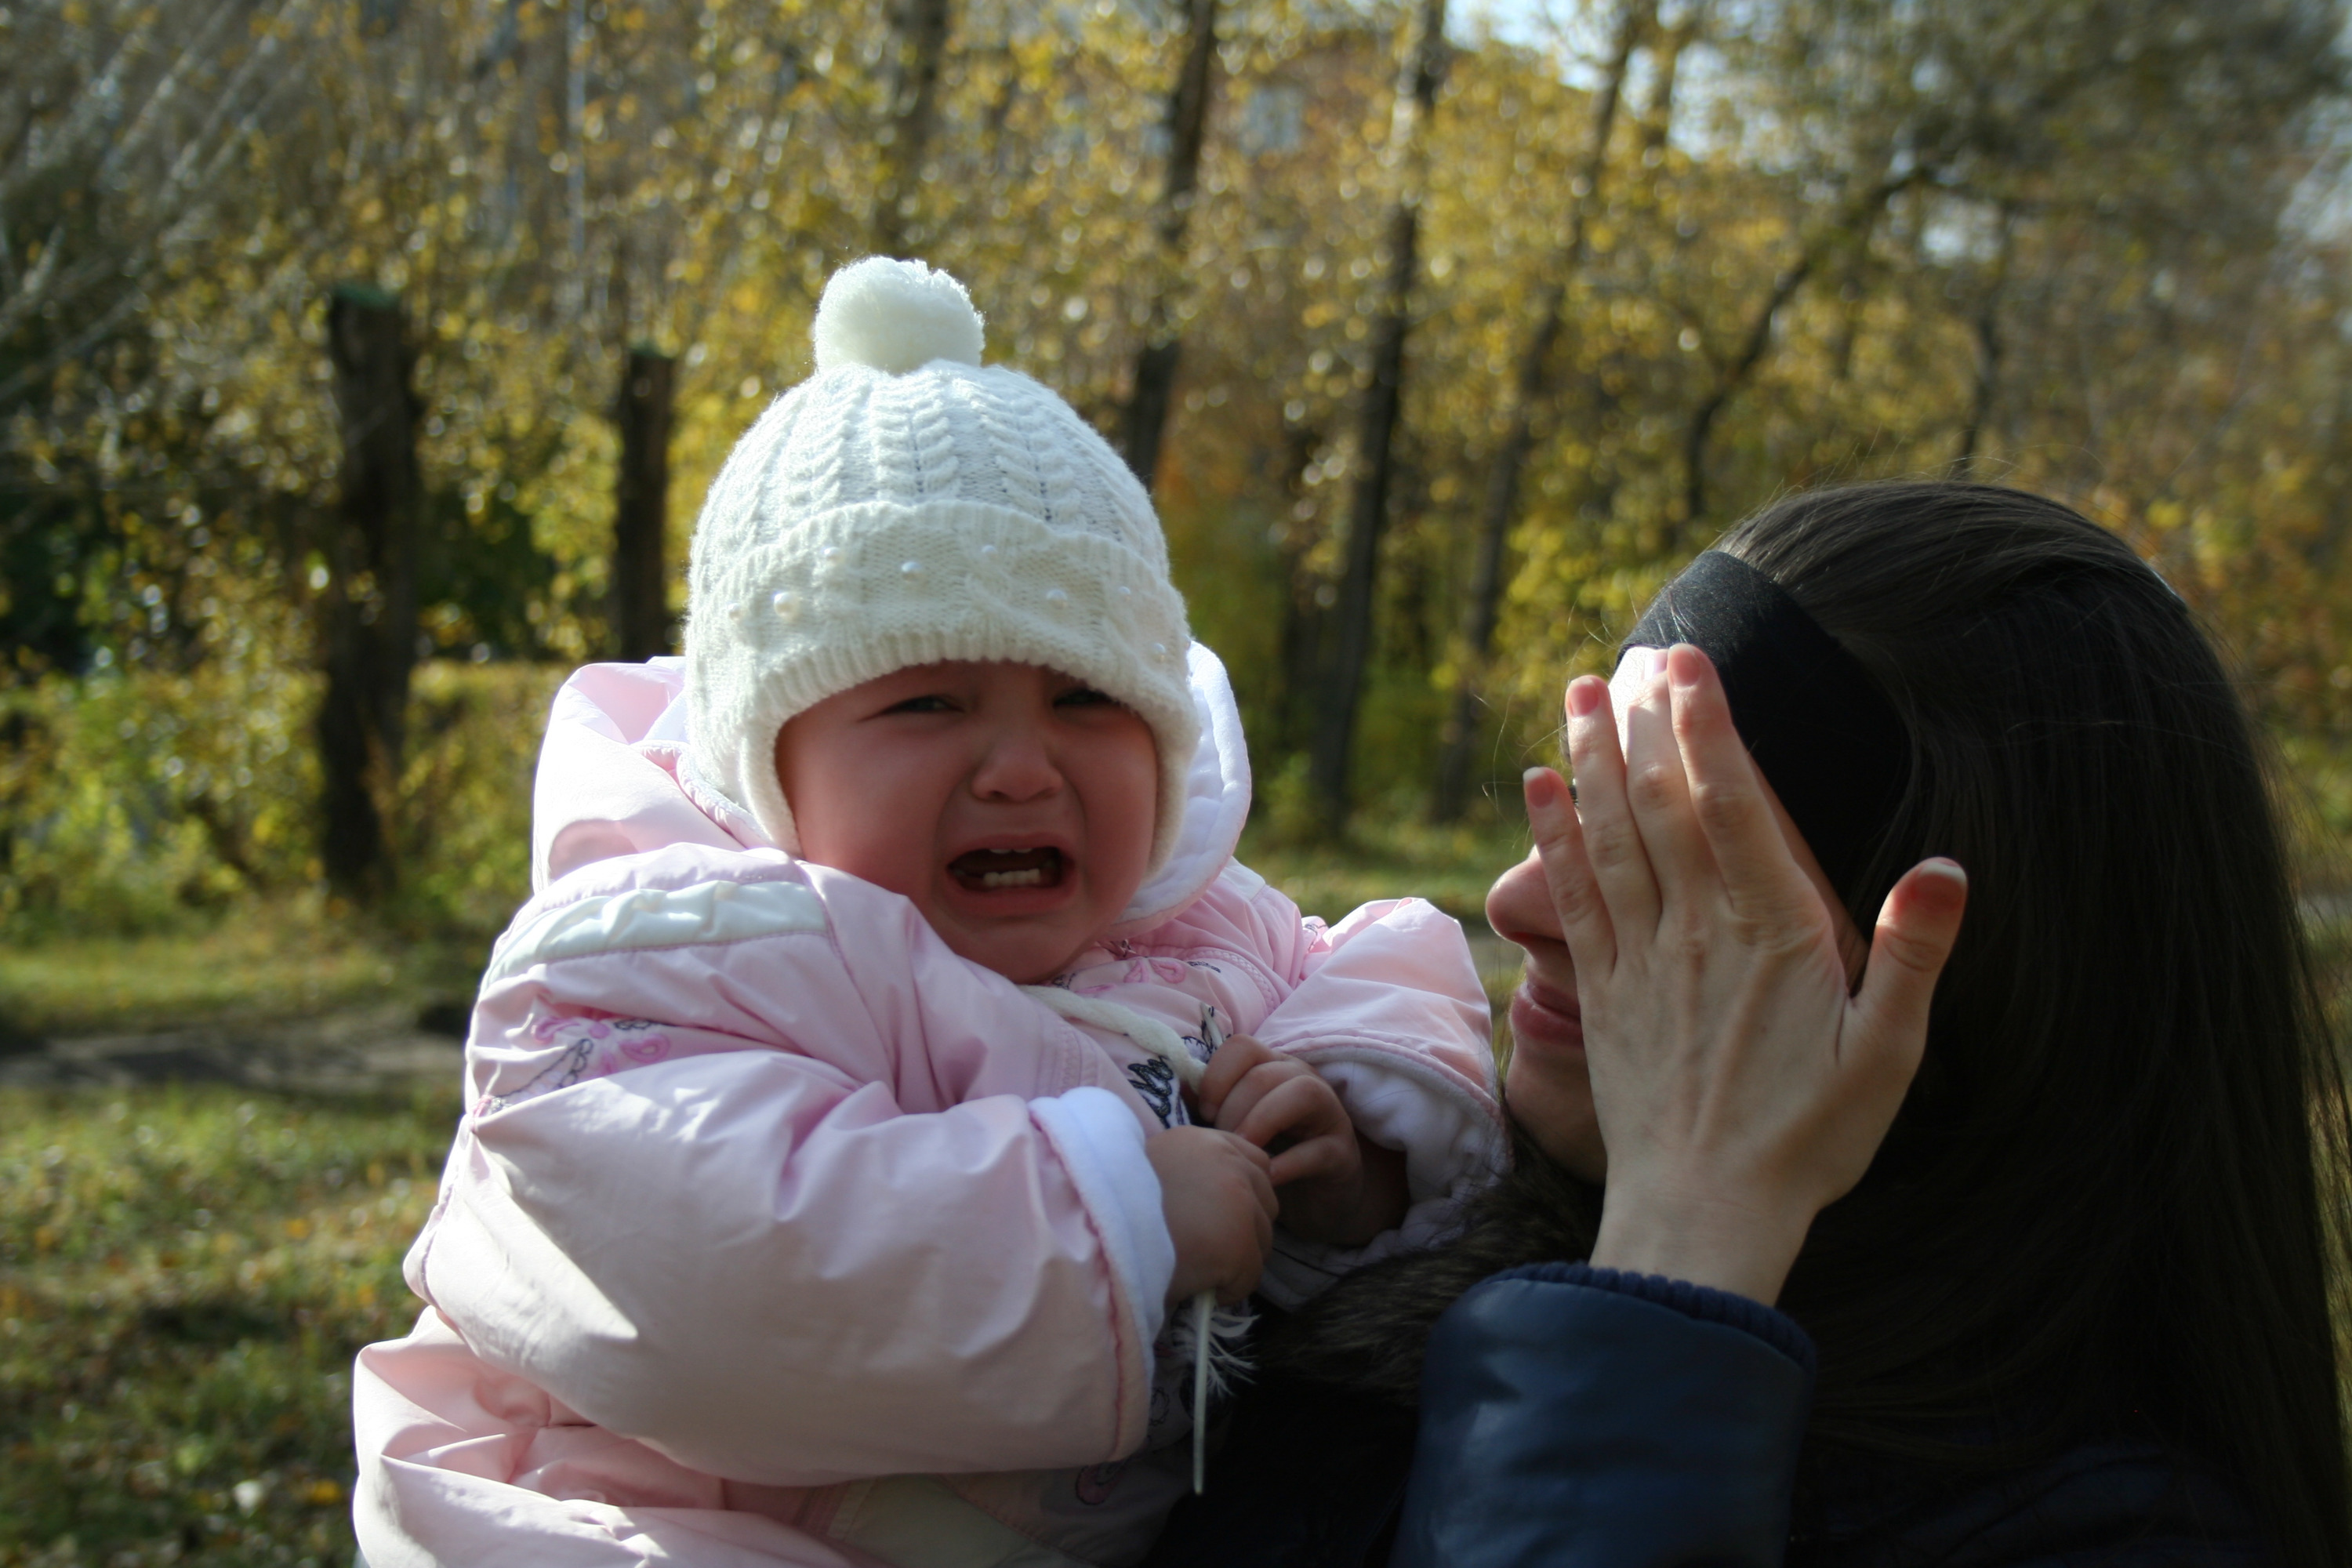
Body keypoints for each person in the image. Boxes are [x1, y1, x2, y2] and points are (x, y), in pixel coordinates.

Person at [349, 258, 1504, 1568]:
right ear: (764, 764)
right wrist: (1122, 1216)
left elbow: (1395, 977)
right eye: (924, 704)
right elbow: (720, 1280)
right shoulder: (665, 961)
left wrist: (1343, 1165)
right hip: (658, 1516)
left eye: (1086, 701)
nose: (1021, 765)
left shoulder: (1202, 933)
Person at [1146, 481, 2352, 1566]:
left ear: (1980, 992)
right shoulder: (1371, 1236)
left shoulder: (2114, 1534)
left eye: (1660, 867)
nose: (1517, 903)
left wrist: (1688, 1243)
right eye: (1582, 814)